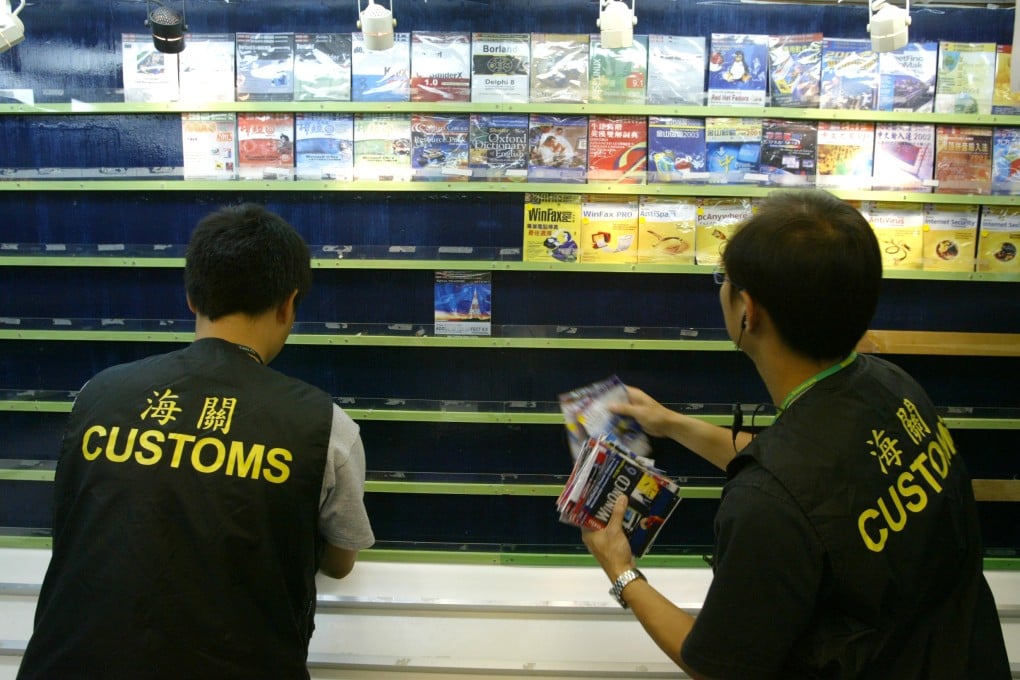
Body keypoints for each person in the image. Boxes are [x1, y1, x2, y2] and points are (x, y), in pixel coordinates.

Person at [582, 189, 1010, 679]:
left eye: (724, 279)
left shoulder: (765, 506)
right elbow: (818, 483)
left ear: (749, 310)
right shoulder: (890, 385)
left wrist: (621, 569)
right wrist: (674, 425)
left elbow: (717, 664)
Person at [18, 204, 375, 680]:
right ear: (289, 304)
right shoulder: (329, 429)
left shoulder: (97, 395)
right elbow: (340, 563)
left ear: (191, 297)